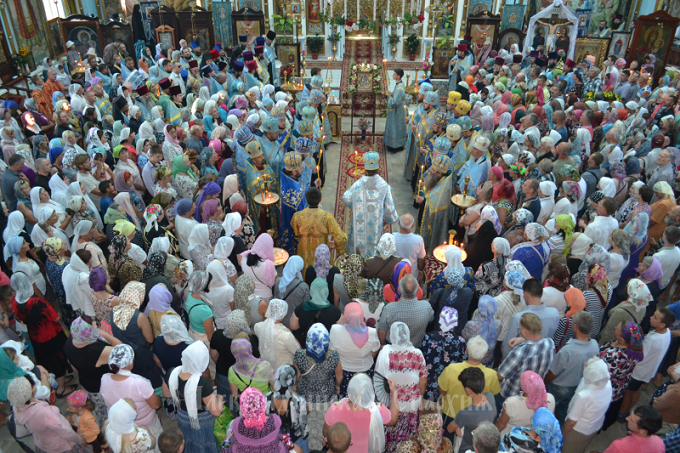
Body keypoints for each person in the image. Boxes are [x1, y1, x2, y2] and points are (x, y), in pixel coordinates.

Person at [164, 341, 224, 453]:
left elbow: (166, 393)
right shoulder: (202, 383)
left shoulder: (171, 372)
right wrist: (220, 399)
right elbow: (216, 412)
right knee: (205, 444)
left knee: (188, 441)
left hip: (182, 416)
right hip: (202, 422)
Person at [100, 344, 163, 446]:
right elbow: (156, 405)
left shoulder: (104, 378)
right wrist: (159, 398)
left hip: (122, 428)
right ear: (129, 363)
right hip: (145, 426)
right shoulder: (140, 382)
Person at [324, 369, 399, 453]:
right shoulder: (377, 410)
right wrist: (394, 392)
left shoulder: (336, 408)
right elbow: (393, 419)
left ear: (350, 390)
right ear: (370, 391)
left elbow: (326, 432)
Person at [8, 375, 89, 453]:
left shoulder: (16, 407)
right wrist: (80, 440)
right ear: (32, 390)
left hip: (43, 443)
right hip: (60, 444)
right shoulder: (44, 412)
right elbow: (64, 432)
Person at [544, 311, 599, 423]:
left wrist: (544, 381)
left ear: (575, 327)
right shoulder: (595, 345)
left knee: (548, 409)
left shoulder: (567, 351)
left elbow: (552, 373)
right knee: (563, 410)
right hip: (577, 386)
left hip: (558, 387)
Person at [619, 308, 674, 421]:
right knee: (637, 389)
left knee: (629, 391)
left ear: (663, 324)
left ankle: (622, 413)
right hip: (649, 370)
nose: (651, 317)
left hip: (640, 370)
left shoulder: (652, 339)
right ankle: (628, 409)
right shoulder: (667, 332)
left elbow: (640, 355)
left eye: (655, 317)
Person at [342, 151, 398, 257]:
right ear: (378, 169)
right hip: (375, 224)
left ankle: (357, 260)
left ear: (365, 169)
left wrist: (355, 205)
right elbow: (389, 209)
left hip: (360, 221)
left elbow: (346, 198)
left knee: (357, 245)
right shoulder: (384, 186)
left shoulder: (358, 184)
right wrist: (389, 218)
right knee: (374, 244)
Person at [438, 335, 501, 421]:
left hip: (451, 413)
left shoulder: (451, 368)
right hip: (476, 417)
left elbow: (442, 390)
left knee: (447, 433)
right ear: (485, 354)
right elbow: (493, 395)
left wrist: (441, 399)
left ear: (467, 350)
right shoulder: (492, 374)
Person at [498, 313, 555, 406]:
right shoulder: (550, 343)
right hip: (534, 394)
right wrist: (523, 340)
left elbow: (500, 375)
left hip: (512, 395)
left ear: (524, 331)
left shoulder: (519, 352)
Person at [329, 301, 380, 397]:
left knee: (346, 401)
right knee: (363, 398)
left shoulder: (335, 330)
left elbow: (332, 351)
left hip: (343, 372)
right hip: (365, 372)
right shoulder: (372, 333)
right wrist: (363, 356)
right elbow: (374, 351)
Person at [561, 357, 612, 453]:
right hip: (595, 425)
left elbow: (571, 421)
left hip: (578, 430)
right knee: (580, 447)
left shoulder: (585, 396)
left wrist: (562, 434)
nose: (584, 364)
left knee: (568, 449)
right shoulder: (606, 383)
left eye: (586, 366)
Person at [291, 187, 347, 273]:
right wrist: (338, 245)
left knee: (305, 271)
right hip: (323, 250)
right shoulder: (327, 217)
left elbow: (296, 232)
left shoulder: (297, 216)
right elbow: (340, 237)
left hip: (304, 249)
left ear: (306, 200)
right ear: (320, 200)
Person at [421, 306, 468, 408]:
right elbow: (462, 365)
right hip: (449, 391)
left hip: (428, 388)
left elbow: (422, 360)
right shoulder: (460, 342)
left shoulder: (429, 337)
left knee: (427, 420)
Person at [502, 279, 560, 357]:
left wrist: (504, 358)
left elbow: (508, 345)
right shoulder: (554, 313)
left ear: (526, 295)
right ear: (542, 294)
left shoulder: (519, 317)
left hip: (523, 358)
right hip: (545, 356)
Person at [225, 387, 290, 452]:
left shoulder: (237, 423)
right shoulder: (275, 420)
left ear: (242, 409)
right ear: (264, 404)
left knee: (230, 427)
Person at [378, 274, 434, 348]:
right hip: (417, 348)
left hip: (393, 348)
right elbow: (431, 319)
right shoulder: (426, 306)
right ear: (417, 289)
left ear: (399, 290)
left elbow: (382, 330)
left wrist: (383, 344)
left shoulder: (389, 309)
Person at [496, 370, 556, 436]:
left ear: (523, 386)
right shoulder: (550, 398)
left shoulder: (512, 403)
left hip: (510, 436)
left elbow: (500, 425)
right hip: (532, 436)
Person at [264, 365, 309, 450]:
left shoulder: (265, 398)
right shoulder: (300, 401)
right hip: (295, 441)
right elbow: (303, 428)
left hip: (273, 441)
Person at [290, 277, 343, 345]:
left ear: (311, 290)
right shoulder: (335, 311)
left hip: (306, 346)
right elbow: (341, 330)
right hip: (326, 348)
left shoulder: (301, 308)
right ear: (326, 291)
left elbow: (293, 326)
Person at [254, 298, 300, 369]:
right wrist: (290, 333)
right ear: (283, 314)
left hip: (266, 368)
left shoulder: (257, 327)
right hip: (281, 371)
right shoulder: (286, 335)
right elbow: (298, 351)